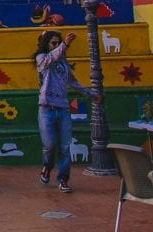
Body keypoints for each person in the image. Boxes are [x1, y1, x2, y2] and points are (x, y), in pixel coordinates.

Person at [35, 30, 100, 194]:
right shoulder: (42, 58)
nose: (56, 46)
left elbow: (73, 82)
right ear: (47, 44)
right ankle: (47, 166)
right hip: (46, 108)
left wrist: (90, 93)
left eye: (58, 43)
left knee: (65, 146)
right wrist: (64, 45)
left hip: (62, 107)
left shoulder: (63, 62)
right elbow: (48, 61)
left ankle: (63, 179)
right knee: (49, 145)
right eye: (53, 43)